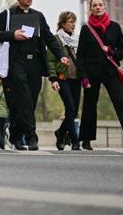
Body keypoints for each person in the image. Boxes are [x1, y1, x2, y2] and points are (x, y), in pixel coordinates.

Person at [0, 0, 68, 150]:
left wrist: (61, 55)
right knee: (24, 96)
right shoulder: (7, 15)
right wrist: (13, 35)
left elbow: (49, 37)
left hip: (35, 63)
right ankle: (32, 137)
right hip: (16, 62)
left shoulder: (38, 16)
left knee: (29, 101)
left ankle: (16, 135)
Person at [76, 0, 123, 150]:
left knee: (120, 102)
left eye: (100, 4)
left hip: (110, 71)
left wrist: (112, 52)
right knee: (89, 105)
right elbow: (80, 55)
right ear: (90, 9)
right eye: (95, 5)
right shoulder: (86, 29)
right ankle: (86, 139)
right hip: (91, 73)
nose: (98, 7)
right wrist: (83, 76)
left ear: (104, 7)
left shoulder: (114, 27)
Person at [49, 11, 81, 151]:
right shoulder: (56, 39)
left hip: (77, 79)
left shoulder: (78, 40)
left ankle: (60, 132)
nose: (73, 25)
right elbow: (50, 61)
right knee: (70, 107)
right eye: (70, 22)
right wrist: (53, 78)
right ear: (62, 23)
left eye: (74, 22)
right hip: (63, 78)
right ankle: (74, 141)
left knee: (73, 112)